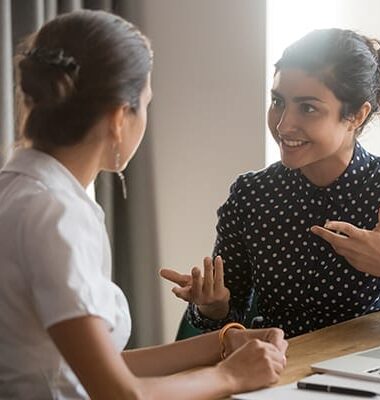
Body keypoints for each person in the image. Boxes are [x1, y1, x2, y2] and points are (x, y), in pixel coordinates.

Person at [0, 10, 287, 400]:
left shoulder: (22, 191)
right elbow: (118, 393)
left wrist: (222, 343)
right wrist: (230, 377)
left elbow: (83, 368)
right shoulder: (54, 216)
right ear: (120, 117)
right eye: (146, 104)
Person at [160, 28, 380, 338]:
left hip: (367, 378)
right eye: (278, 102)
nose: (283, 125)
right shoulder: (252, 195)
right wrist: (213, 308)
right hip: (277, 372)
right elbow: (229, 325)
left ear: (356, 115)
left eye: (308, 108)